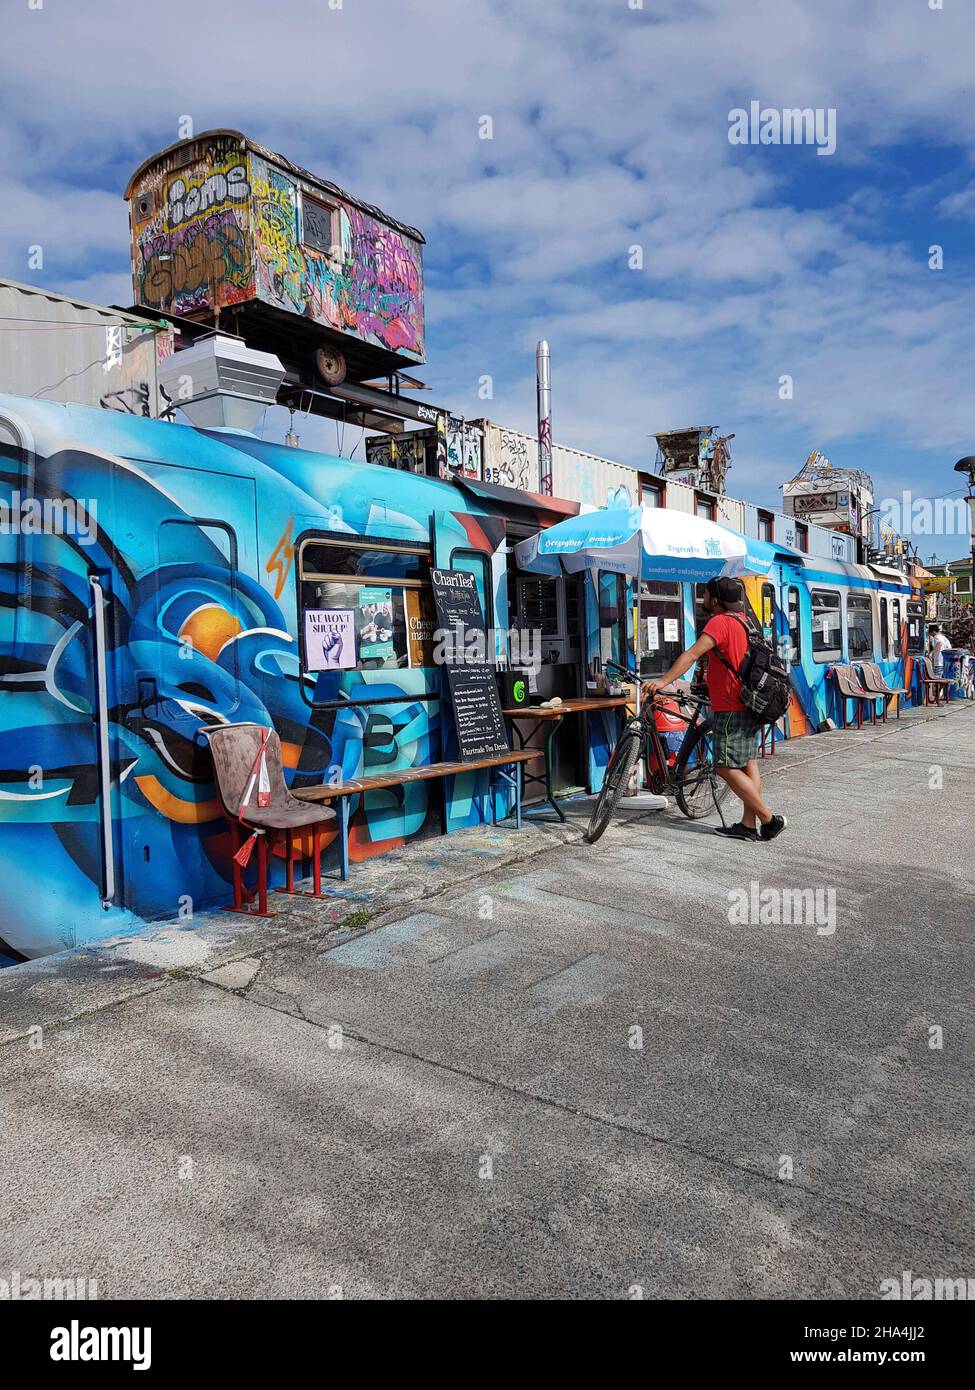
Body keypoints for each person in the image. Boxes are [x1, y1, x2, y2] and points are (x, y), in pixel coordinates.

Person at [642, 575, 786, 842]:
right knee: (747, 764)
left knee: (723, 766)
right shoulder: (745, 621)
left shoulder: (719, 622)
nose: (703, 599)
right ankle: (747, 824)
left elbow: (692, 654)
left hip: (731, 707)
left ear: (716, 600)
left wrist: (662, 681)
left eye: (706, 594)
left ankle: (769, 819)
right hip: (749, 704)